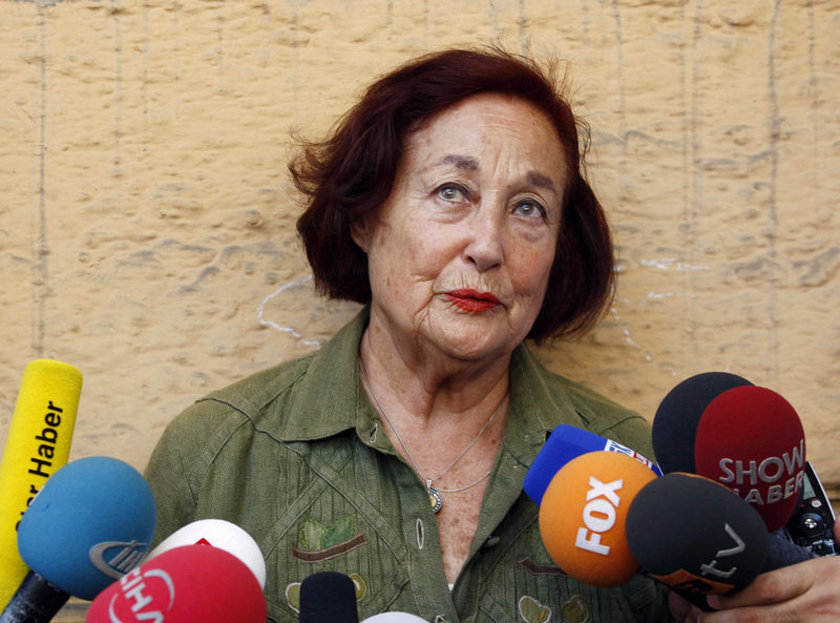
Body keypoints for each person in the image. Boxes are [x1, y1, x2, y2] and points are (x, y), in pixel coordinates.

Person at [144, 46, 840, 622]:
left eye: (529, 208)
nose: (488, 245)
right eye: (452, 192)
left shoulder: (640, 476)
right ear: (365, 216)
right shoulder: (220, 455)